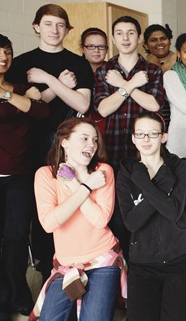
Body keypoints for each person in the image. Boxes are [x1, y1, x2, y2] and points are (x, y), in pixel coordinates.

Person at [6, 3, 94, 281]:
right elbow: (24, 105)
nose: (54, 30)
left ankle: (73, 262)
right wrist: (59, 87)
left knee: (72, 202)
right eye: (47, 24)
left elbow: (82, 102)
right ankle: (47, 270)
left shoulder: (78, 62)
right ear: (36, 27)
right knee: (39, 211)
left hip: (68, 148)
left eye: (60, 25)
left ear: (67, 29)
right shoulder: (20, 63)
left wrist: (49, 81)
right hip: (28, 146)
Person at [30, 118, 126, 321]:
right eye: (84, 138)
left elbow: (100, 220)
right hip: (66, 264)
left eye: (94, 140)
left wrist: (75, 184)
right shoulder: (45, 175)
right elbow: (49, 223)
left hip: (103, 259)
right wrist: (85, 187)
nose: (91, 145)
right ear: (64, 141)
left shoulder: (102, 172)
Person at [0, 33, 49, 321]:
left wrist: (9, 95)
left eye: (7, 51)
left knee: (18, 239)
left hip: (21, 175)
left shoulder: (18, 87)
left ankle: (18, 296)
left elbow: (42, 111)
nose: (3, 56)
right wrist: (19, 100)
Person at [94, 16, 165, 261]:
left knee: (143, 206)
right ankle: (117, 265)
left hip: (143, 152)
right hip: (111, 150)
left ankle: (142, 262)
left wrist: (124, 86)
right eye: (120, 33)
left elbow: (153, 104)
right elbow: (103, 109)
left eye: (131, 33)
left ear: (139, 37)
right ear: (113, 38)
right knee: (114, 212)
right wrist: (132, 86)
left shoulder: (153, 70)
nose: (125, 38)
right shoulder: (104, 70)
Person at [116, 112, 186, 320]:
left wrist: (144, 182)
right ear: (133, 138)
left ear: (163, 137)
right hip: (143, 261)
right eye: (140, 134)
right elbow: (132, 222)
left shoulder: (180, 167)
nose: (146, 140)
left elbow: (172, 211)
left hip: (179, 257)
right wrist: (156, 184)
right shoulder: (126, 172)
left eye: (152, 134)